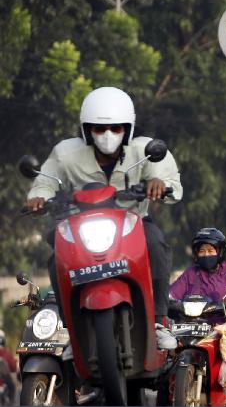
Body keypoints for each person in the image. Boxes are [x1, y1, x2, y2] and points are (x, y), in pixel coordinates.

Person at [26, 87, 182, 347]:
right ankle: (71, 332)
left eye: (116, 128)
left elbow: (170, 183)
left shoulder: (145, 150)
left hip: (132, 225)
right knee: (56, 256)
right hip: (79, 228)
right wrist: (39, 197)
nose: (108, 135)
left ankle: (158, 321)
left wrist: (157, 183)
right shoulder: (66, 154)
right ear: (87, 130)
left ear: (128, 129)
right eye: (99, 129)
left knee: (155, 242)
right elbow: (45, 180)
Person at [168, 228, 226, 407]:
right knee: (167, 373)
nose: (206, 254)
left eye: (210, 250)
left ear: (220, 252)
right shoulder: (190, 274)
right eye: (202, 251)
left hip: (221, 332)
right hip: (191, 330)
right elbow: (172, 294)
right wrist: (167, 301)